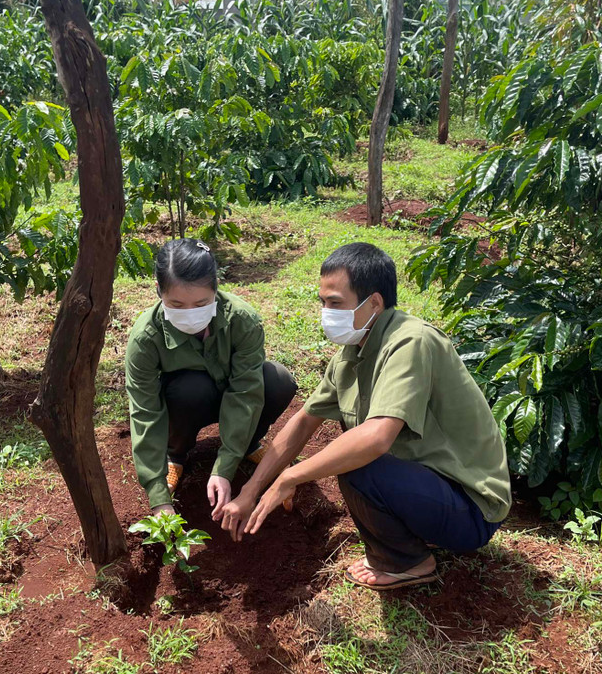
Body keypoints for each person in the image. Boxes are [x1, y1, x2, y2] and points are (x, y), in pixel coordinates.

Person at [219, 242, 511, 591]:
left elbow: (376, 438)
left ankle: (410, 562)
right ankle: (415, 534)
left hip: (472, 508)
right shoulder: (353, 352)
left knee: (357, 460)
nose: (326, 313)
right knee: (353, 452)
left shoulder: (410, 342)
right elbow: (303, 422)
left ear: (374, 302)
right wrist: (251, 490)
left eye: (336, 303)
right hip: (433, 487)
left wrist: (290, 477)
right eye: (323, 303)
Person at [125, 238, 297, 520]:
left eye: (201, 303)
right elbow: (145, 413)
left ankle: (247, 443)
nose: (190, 313)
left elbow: (245, 391)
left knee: (276, 381)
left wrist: (224, 468)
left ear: (216, 288)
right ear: (159, 292)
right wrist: (158, 499)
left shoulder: (242, 320)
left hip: (231, 391)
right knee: (189, 389)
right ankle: (176, 454)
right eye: (176, 304)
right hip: (188, 403)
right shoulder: (146, 338)